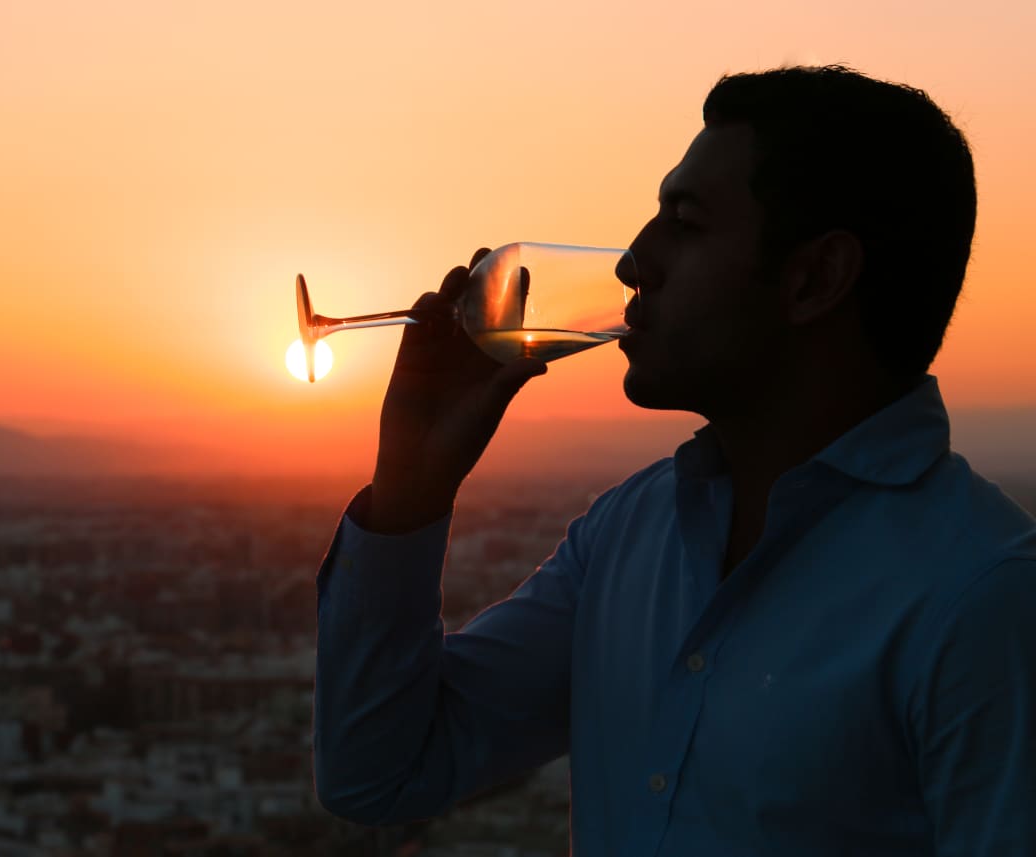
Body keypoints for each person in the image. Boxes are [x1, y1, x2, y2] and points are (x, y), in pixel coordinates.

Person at [311, 65, 1036, 855]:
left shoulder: (983, 600)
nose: (632, 264)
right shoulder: (630, 533)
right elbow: (378, 774)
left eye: (684, 223)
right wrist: (409, 490)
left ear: (814, 279)